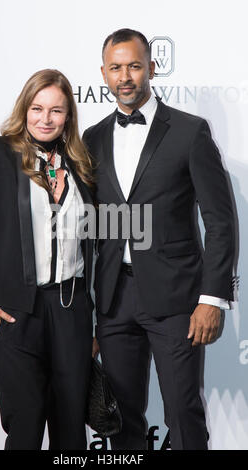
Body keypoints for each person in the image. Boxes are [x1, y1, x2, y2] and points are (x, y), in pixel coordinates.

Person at [83, 28, 235, 450]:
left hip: (177, 301)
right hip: (114, 300)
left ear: (151, 67)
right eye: (116, 68)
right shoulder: (92, 138)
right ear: (103, 73)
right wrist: (88, 312)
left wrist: (212, 299)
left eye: (134, 65)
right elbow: (89, 228)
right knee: (122, 416)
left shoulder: (189, 131)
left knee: (183, 412)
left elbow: (221, 221)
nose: (125, 76)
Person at [0, 69, 95, 450]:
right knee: (25, 421)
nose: (45, 119)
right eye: (37, 108)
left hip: (71, 307)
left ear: (68, 117)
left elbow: (94, 244)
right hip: (17, 308)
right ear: (24, 108)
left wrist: (94, 315)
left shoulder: (81, 165)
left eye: (56, 111)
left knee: (70, 427)